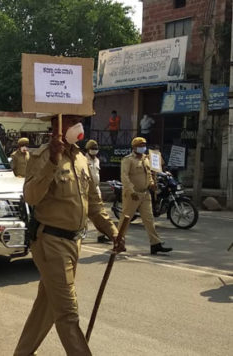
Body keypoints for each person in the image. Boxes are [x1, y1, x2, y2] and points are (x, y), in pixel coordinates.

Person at [14, 114, 122, 356]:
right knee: (67, 313)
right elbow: (31, 196)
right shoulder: (41, 157)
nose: (77, 125)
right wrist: (52, 162)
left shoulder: (81, 159)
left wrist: (112, 231)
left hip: (75, 243)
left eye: (78, 119)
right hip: (50, 243)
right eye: (71, 120)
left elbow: (94, 203)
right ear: (57, 126)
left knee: (48, 306)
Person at [120, 137, 173, 255]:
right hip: (133, 194)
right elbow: (124, 177)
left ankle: (155, 244)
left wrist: (152, 184)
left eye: (144, 145)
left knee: (149, 219)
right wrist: (131, 191)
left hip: (145, 193)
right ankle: (118, 241)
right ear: (134, 147)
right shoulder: (128, 160)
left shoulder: (146, 159)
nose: (143, 147)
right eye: (140, 145)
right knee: (125, 220)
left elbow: (149, 174)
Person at [85, 139, 111, 244]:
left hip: (96, 188)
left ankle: (101, 235)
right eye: (92, 149)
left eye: (96, 149)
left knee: (100, 212)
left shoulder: (97, 160)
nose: (95, 150)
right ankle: (80, 234)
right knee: (83, 213)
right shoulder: (83, 159)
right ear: (88, 149)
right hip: (86, 188)